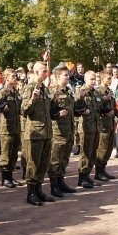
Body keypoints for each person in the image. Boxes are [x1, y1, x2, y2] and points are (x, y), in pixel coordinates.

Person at [21, 62, 55, 205]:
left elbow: (49, 110)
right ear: (35, 72)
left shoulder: (45, 90)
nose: (46, 73)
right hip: (35, 132)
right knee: (33, 163)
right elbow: (24, 110)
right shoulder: (29, 88)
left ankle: (39, 189)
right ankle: (31, 192)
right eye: (43, 71)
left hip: (46, 132)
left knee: (43, 163)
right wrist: (32, 100)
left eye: (46, 71)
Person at [47, 65, 77, 197]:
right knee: (55, 160)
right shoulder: (52, 91)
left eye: (68, 74)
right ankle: (54, 186)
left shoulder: (69, 92)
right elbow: (48, 111)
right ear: (58, 77)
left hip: (69, 130)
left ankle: (61, 181)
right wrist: (58, 114)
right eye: (65, 75)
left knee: (64, 159)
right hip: (57, 131)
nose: (68, 76)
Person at [74, 71, 103, 188]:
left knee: (92, 153)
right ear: (85, 79)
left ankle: (87, 176)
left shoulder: (95, 93)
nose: (93, 81)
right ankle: (82, 177)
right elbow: (75, 107)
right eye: (91, 79)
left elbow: (99, 108)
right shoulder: (81, 91)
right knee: (85, 153)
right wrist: (82, 110)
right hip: (85, 127)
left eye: (95, 79)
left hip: (96, 127)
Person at [0, 68, 22, 189]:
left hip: (16, 127)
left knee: (13, 154)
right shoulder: (3, 91)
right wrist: (2, 106)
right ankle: (5, 178)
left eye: (15, 76)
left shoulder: (16, 92)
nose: (15, 78)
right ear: (6, 78)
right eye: (12, 76)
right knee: (6, 154)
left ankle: (10, 176)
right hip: (6, 128)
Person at [95, 70, 117, 181]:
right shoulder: (98, 92)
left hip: (111, 124)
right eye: (108, 78)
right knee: (102, 149)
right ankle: (98, 172)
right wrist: (106, 99)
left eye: (111, 78)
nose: (110, 80)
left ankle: (103, 169)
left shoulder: (110, 91)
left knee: (108, 149)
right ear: (102, 78)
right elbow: (97, 108)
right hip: (103, 125)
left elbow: (114, 107)